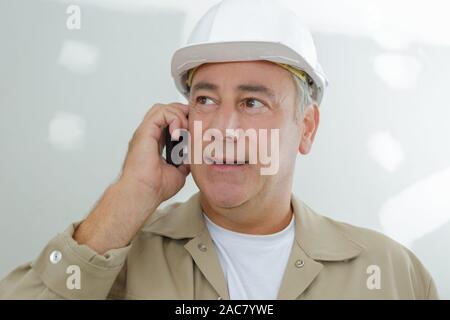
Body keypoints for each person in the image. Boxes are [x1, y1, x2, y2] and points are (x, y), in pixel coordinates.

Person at [0, 0, 438, 299]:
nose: (223, 129)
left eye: (252, 103)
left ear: (306, 128)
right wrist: (130, 194)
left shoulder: (391, 272)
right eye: (206, 100)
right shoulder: (119, 261)